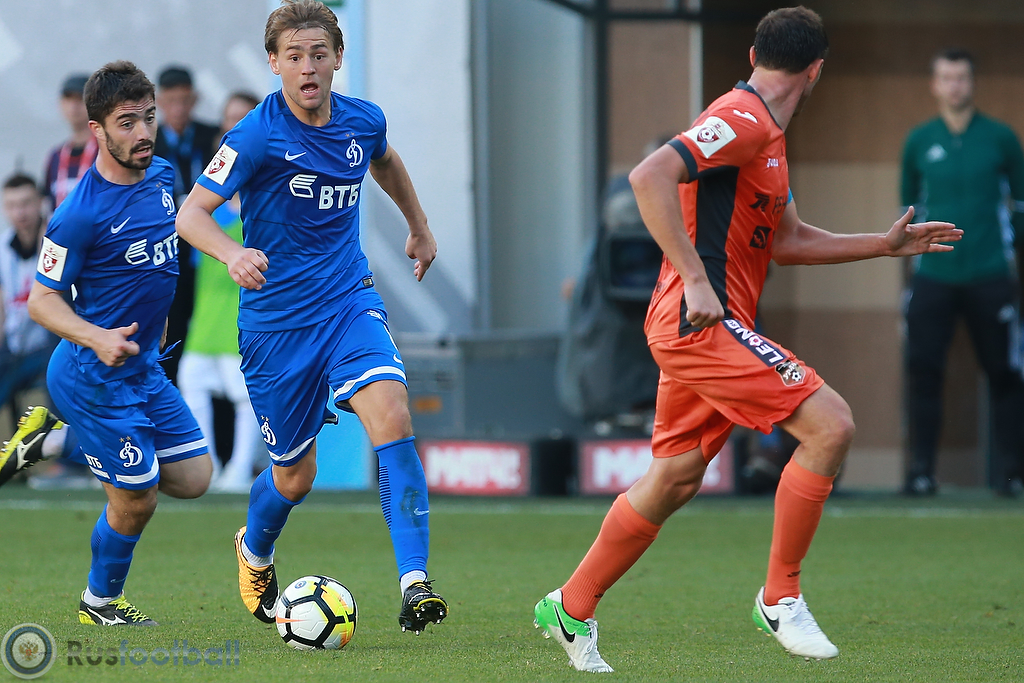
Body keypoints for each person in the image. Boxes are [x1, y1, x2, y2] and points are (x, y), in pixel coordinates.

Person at [532, 7, 962, 672]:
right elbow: (650, 176)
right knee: (831, 426)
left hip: (709, 325)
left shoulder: (768, 137)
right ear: (815, 71)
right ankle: (780, 598)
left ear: (758, 54)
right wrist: (695, 279)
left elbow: (788, 240)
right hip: (699, 322)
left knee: (675, 476)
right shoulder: (742, 118)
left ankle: (571, 604)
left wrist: (881, 245)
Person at [176, 0, 446, 634]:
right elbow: (191, 215)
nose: (307, 68)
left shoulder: (363, 121)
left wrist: (418, 226)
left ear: (337, 59)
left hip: (348, 301)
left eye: (318, 55)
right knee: (295, 477)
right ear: (274, 64)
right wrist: (232, 252)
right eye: (294, 56)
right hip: (276, 327)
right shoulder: (254, 136)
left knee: (393, 414)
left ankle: (415, 583)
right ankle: (255, 548)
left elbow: (384, 160)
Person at [6, 61, 212, 625]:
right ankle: (99, 604)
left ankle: (51, 440)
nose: (143, 132)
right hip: (92, 376)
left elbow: (158, 262)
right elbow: (42, 301)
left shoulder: (163, 176)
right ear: (96, 129)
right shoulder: (78, 214)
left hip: (143, 368)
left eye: (149, 118)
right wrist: (96, 335)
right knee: (137, 497)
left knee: (195, 478)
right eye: (127, 122)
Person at [901, 48, 1024, 497]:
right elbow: (905, 212)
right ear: (935, 85)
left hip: (990, 274)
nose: (955, 86)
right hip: (934, 275)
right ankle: (920, 473)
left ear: (972, 83)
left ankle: (1012, 475)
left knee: (1005, 372)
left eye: (962, 78)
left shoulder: (1001, 138)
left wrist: (1007, 248)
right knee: (923, 371)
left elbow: (1020, 205)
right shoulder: (919, 141)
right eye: (947, 78)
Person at [179, 92, 266, 493]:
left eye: (242, 117)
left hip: (243, 314)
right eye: (229, 118)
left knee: (245, 395)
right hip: (205, 316)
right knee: (192, 384)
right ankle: (209, 466)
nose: (234, 126)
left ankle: (240, 470)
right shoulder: (204, 198)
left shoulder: (263, 196)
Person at [154, 65, 221, 386]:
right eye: (171, 102)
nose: (178, 109)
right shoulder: (150, 145)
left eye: (185, 101)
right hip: (170, 254)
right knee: (173, 329)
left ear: (194, 99)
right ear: (159, 102)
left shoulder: (212, 138)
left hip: (212, 250)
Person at [0, 175, 58, 417]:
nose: (19, 212)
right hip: (14, 347)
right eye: (12, 205)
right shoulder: (3, 247)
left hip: (49, 344)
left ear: (40, 202)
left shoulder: (56, 240)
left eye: (25, 203)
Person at [41, 74, 98, 211]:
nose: (74, 105)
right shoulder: (55, 156)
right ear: (60, 104)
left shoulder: (107, 151)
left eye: (80, 98)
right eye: (68, 98)